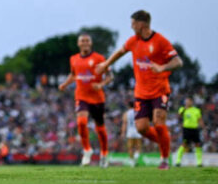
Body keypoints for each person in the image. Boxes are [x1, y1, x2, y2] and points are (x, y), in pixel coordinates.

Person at [96, 10, 183, 170]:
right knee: (141, 128)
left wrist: (162, 67)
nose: (131, 26)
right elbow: (120, 52)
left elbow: (178, 62)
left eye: (133, 23)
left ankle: (164, 160)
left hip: (160, 90)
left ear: (141, 24)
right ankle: (165, 141)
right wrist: (105, 64)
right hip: (141, 93)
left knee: (159, 123)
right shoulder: (133, 41)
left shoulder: (160, 41)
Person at [58, 33, 112, 167]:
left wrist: (101, 85)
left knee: (100, 128)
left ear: (91, 43)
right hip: (81, 96)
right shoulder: (74, 59)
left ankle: (104, 153)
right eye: (82, 41)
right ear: (78, 44)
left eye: (87, 40)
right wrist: (65, 84)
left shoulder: (99, 58)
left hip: (97, 98)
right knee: (81, 122)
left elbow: (110, 76)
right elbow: (73, 74)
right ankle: (87, 150)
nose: (85, 43)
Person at [175, 97, 204, 167]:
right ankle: (178, 161)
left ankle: (199, 162)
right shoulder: (183, 109)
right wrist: (184, 109)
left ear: (192, 102)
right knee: (184, 144)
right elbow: (178, 116)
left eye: (189, 101)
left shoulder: (196, 110)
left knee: (197, 144)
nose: (187, 102)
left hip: (195, 129)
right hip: (186, 129)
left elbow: (200, 119)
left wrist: (203, 127)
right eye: (186, 101)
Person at [120, 100, 142, 167]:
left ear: (128, 106)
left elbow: (124, 124)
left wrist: (123, 133)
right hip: (138, 132)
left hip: (130, 132)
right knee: (138, 148)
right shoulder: (138, 112)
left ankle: (132, 161)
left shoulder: (126, 113)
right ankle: (135, 157)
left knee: (130, 148)